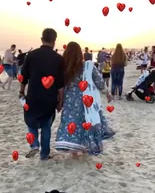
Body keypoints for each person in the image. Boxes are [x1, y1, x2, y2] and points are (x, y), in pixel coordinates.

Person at [55, 42, 115, 157]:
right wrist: (107, 92)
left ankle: (74, 153)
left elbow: (59, 85)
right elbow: (99, 82)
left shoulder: (63, 68)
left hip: (70, 101)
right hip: (86, 100)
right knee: (85, 123)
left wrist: (59, 101)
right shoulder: (87, 66)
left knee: (71, 123)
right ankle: (84, 148)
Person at [19, 28, 64, 160]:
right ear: (54, 41)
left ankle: (34, 144)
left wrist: (21, 91)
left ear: (41, 39)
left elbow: (24, 76)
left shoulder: (31, 55)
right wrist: (60, 100)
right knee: (46, 125)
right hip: (49, 98)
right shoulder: (58, 59)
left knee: (31, 120)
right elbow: (60, 83)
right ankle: (44, 154)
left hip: (33, 95)